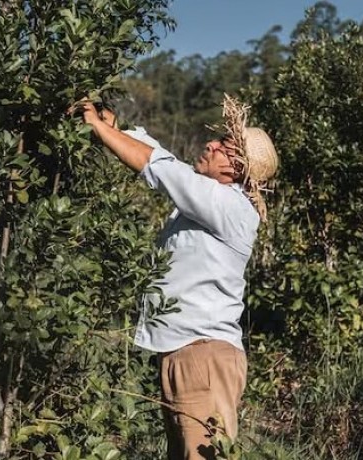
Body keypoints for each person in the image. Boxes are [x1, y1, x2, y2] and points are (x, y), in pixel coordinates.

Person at [76, 95, 279, 459]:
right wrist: (114, 128)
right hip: (185, 352)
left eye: (224, 146)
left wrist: (100, 129)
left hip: (204, 356)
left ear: (238, 168)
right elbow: (165, 160)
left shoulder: (229, 206)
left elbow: (159, 168)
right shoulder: (211, 199)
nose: (211, 144)